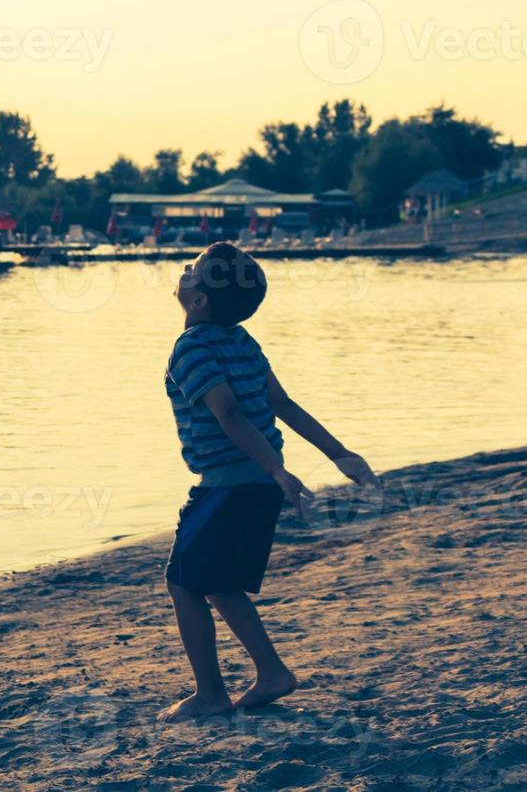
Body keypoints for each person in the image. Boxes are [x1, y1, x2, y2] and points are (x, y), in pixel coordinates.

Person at [158, 243, 379, 722]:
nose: (184, 271)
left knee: (182, 581)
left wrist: (277, 471)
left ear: (197, 302)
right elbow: (284, 404)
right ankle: (271, 673)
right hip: (254, 482)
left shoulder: (191, 347)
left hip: (232, 483)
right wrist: (337, 452)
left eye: (192, 271)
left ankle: (210, 694)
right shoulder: (240, 340)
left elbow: (230, 412)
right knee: (217, 583)